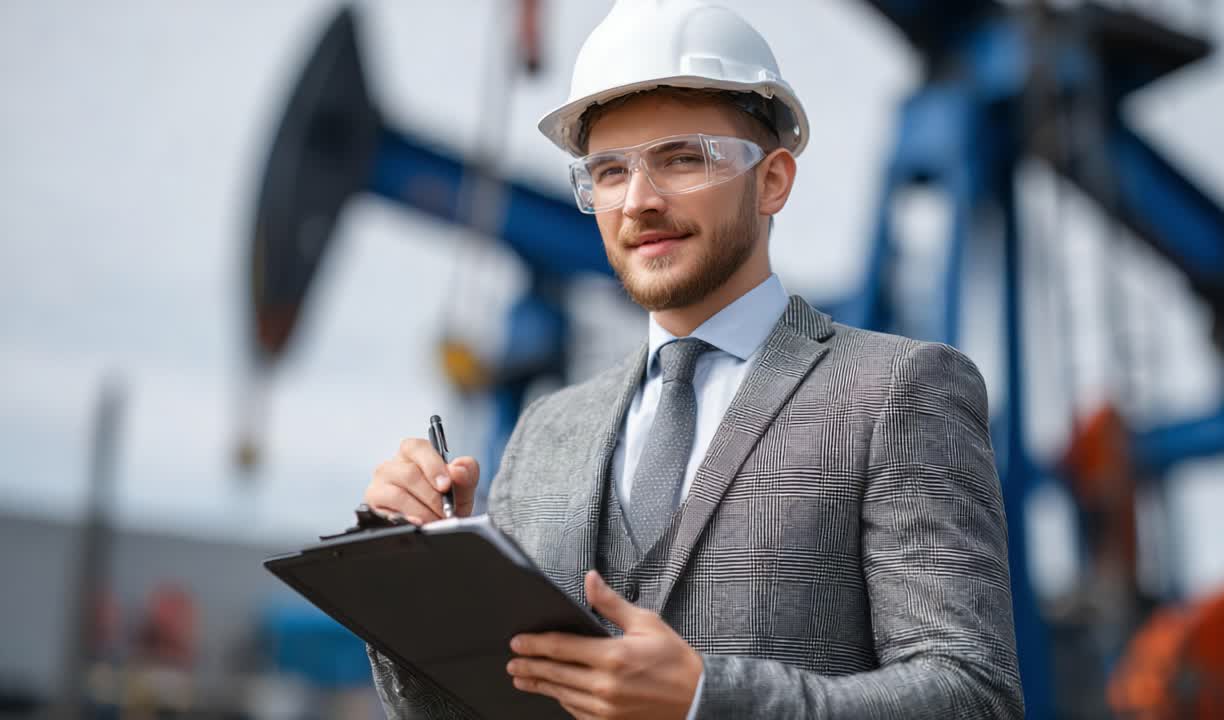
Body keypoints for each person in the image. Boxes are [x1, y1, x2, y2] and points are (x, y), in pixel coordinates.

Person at [363, 1, 1024, 717]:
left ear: (772, 180)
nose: (639, 201)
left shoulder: (901, 390)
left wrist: (708, 700)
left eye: (681, 158)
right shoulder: (545, 431)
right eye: (609, 172)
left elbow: (972, 696)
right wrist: (418, 574)